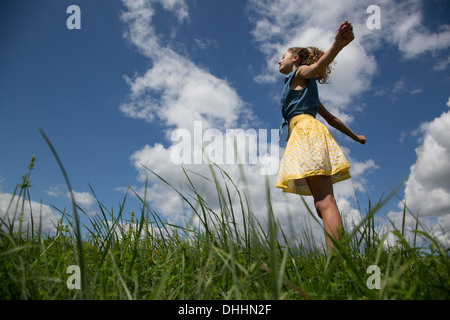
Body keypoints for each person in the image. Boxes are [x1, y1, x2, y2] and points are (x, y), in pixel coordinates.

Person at [275, 21, 366, 253]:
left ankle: (339, 259)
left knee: (325, 202)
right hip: (304, 134)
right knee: (320, 203)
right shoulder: (304, 88)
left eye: (283, 56)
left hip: (307, 133)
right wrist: (354, 136)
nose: (279, 60)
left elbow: (316, 67)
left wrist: (337, 45)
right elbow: (332, 118)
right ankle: (336, 255)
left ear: (295, 59)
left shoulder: (301, 73)